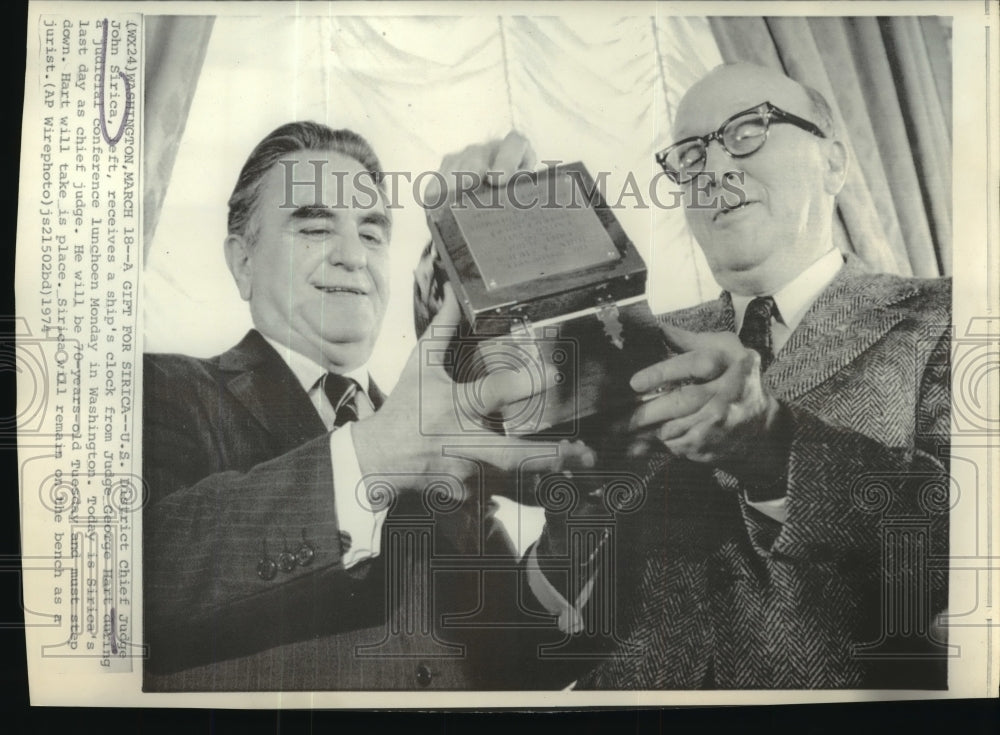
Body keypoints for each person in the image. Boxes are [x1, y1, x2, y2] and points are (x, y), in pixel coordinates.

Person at [418, 63, 951, 689]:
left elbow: (971, 552)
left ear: (835, 162)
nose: (715, 168)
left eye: (750, 129)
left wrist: (775, 447)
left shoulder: (949, 315)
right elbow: (547, 612)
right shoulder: (636, 340)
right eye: (692, 153)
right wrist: (465, 235)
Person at [142, 122, 590, 691]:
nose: (354, 256)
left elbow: (521, 658)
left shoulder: (436, 426)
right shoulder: (163, 387)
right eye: (314, 226)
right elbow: (131, 578)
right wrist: (371, 456)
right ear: (243, 262)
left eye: (372, 233)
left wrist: (583, 508)